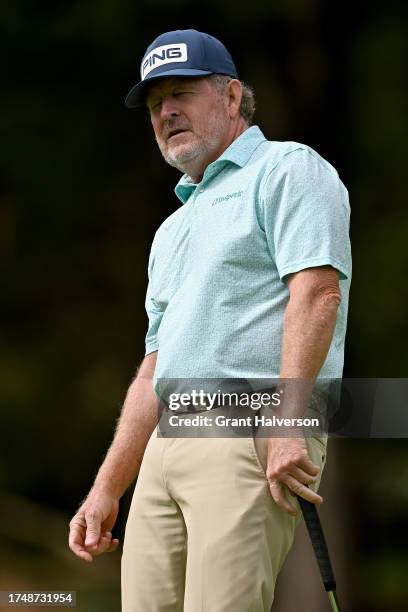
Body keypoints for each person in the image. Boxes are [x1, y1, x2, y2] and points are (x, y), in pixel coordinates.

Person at [69, 29, 352, 611]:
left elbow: (318, 291)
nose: (166, 111)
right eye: (154, 104)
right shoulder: (171, 229)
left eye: (181, 93)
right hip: (165, 450)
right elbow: (155, 365)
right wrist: (106, 488)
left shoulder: (287, 168)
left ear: (230, 97)